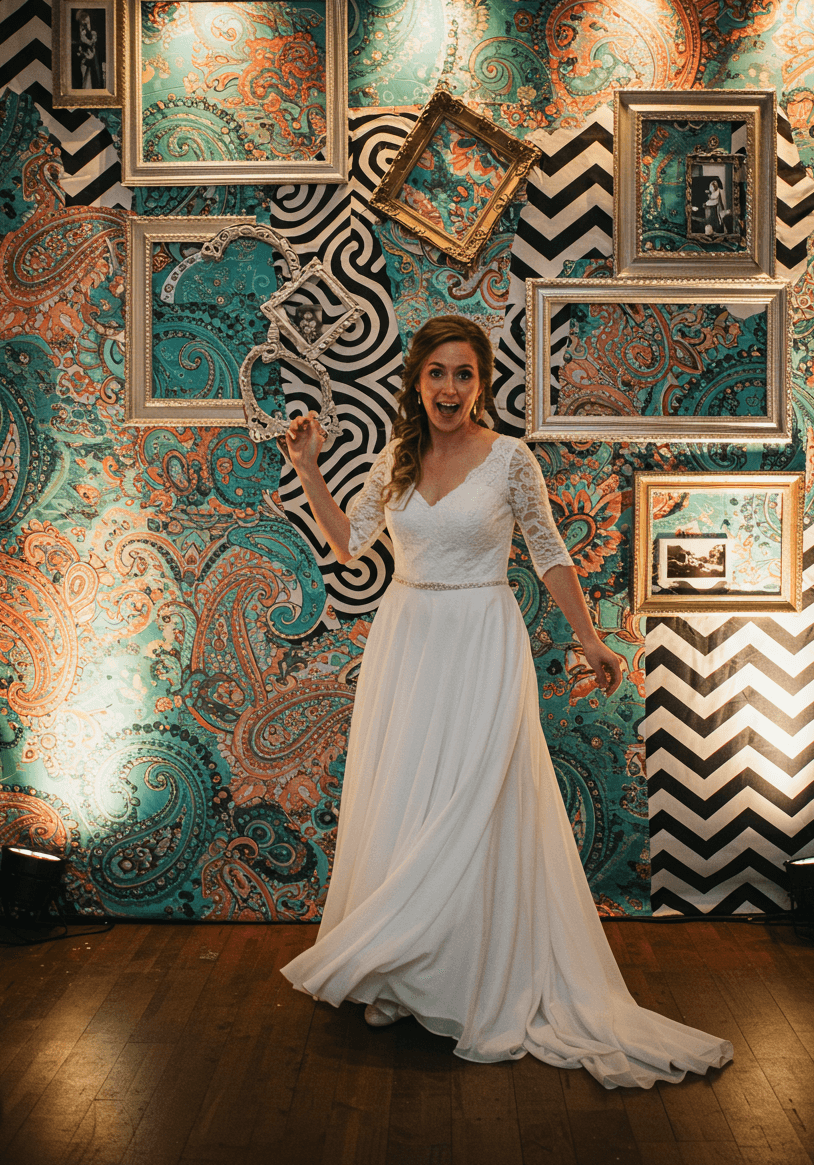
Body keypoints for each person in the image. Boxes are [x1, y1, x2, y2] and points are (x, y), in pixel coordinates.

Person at [280, 314, 733, 1088]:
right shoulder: (395, 459)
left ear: (481, 383)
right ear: (416, 383)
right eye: (436, 374)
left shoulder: (511, 460)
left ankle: (465, 975)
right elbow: (349, 544)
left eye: (463, 374)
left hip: (482, 638)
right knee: (408, 801)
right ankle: (402, 975)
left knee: (473, 801)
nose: (449, 389)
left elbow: (550, 551)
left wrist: (592, 641)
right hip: (408, 640)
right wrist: (310, 469)